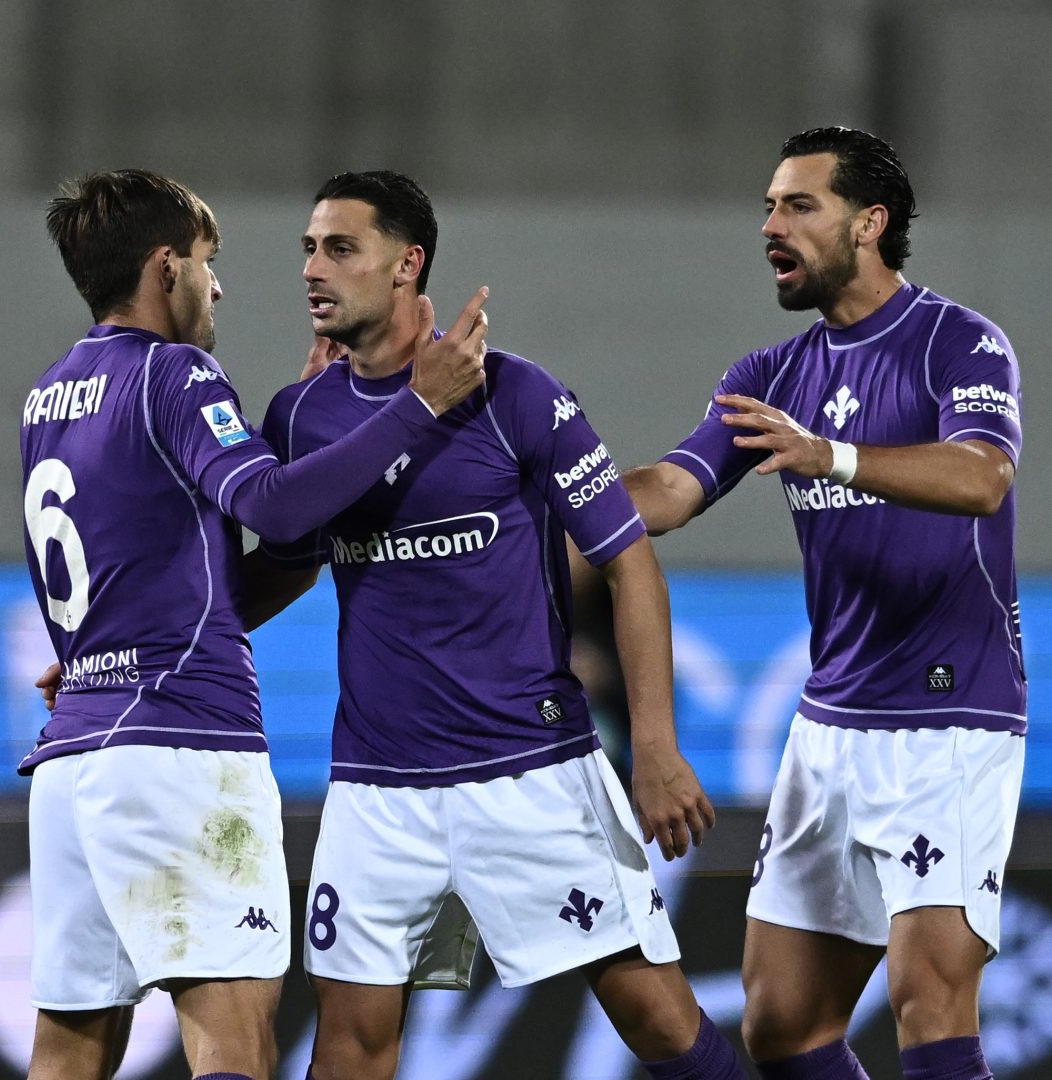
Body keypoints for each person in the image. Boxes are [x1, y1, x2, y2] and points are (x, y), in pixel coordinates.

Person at [255, 170, 746, 1080]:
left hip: (529, 767)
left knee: (659, 1021)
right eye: (310, 249)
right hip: (377, 784)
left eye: (341, 248)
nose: (314, 269)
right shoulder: (301, 415)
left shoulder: (515, 394)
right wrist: (151, 646)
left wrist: (655, 746)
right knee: (350, 1047)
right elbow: (283, 566)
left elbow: (630, 562)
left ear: (407, 264)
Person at [22, 169, 488, 1080]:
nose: (218, 286)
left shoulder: (51, 393)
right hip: (180, 748)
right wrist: (417, 405)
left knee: (68, 1051)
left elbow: (166, 543)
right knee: (233, 1039)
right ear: (167, 267)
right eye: (207, 262)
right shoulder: (176, 371)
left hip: (74, 760)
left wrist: (301, 448)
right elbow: (273, 508)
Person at [624, 127, 1021, 1080]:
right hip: (829, 725)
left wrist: (829, 456)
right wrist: (551, 488)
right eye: (769, 206)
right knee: (782, 1025)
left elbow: (982, 478)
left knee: (930, 1002)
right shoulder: (769, 375)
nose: (772, 224)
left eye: (799, 205)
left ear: (869, 223)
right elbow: (669, 493)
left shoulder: (958, 342)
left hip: (948, 717)